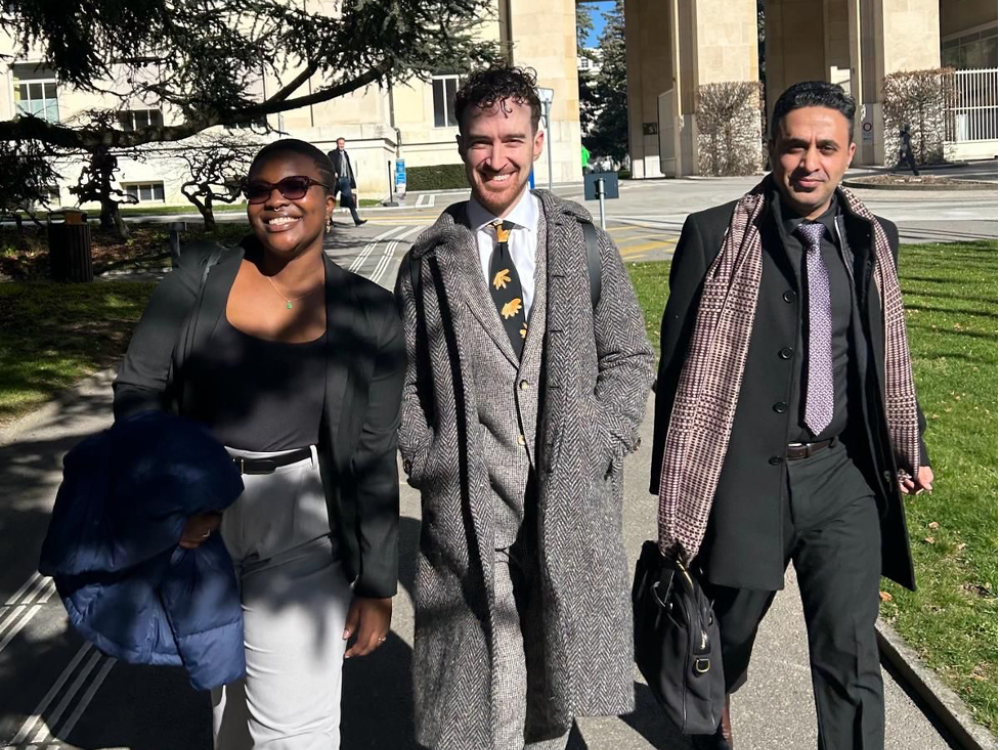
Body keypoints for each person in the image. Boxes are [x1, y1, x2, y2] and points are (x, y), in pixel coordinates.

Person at [650, 81, 933, 750]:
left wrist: (908, 438)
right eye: (795, 146)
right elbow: (677, 369)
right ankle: (709, 719)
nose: (810, 162)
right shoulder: (715, 234)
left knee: (850, 653)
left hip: (842, 476)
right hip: (744, 479)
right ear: (772, 150)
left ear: (849, 152)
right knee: (724, 640)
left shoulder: (873, 237)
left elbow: (886, 351)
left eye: (826, 147)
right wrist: (684, 492)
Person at [113, 138, 405, 750]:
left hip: (300, 518)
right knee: (230, 714)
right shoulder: (199, 279)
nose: (276, 201)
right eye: (259, 190)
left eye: (295, 187)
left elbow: (372, 452)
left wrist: (378, 583)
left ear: (330, 199)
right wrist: (173, 499)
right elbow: (140, 388)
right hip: (204, 519)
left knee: (295, 729)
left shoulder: (371, 313)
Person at [395, 66, 655, 750]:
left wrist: (605, 436)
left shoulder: (587, 245)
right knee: (486, 673)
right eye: (481, 141)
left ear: (539, 142)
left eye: (512, 138)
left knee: (555, 668)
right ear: (461, 147)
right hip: (472, 501)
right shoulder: (428, 260)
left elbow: (630, 358)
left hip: (568, 498)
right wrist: (429, 458)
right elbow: (402, 380)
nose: (496, 157)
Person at [328, 137, 367, 226]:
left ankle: (356, 220)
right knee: (331, 200)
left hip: (345, 180)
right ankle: (329, 219)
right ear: (337, 144)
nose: (341, 145)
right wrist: (333, 172)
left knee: (350, 200)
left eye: (343, 143)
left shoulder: (345, 154)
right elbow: (329, 164)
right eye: (340, 143)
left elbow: (348, 168)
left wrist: (351, 180)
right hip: (336, 181)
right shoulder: (332, 154)